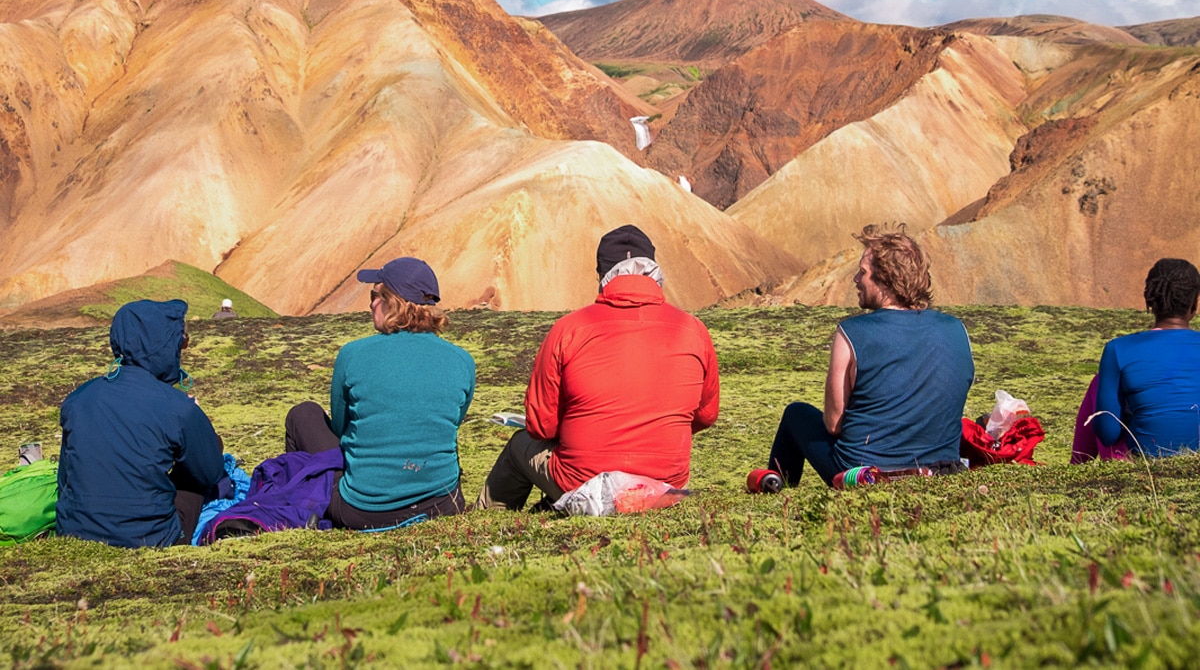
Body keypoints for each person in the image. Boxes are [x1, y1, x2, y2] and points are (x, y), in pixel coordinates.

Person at [475, 225, 720, 510]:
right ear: (654, 271)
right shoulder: (694, 330)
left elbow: (541, 425)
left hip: (583, 482)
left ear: (601, 275)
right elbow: (705, 415)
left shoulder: (568, 330)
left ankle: (490, 518)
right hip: (665, 486)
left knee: (520, 445)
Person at [761, 224, 974, 487]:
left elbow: (833, 424)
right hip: (942, 468)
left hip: (864, 473)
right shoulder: (957, 330)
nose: (855, 280)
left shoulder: (851, 333)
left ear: (885, 280)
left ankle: (775, 492)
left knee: (796, 414)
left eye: (863, 273)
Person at [284, 257, 475, 529]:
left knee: (303, 414)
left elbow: (340, 428)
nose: (371, 303)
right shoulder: (462, 360)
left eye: (374, 295)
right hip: (443, 505)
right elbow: (452, 423)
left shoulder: (353, 354)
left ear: (390, 301)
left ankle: (296, 506)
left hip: (362, 510)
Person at [56, 299, 226, 547]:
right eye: (181, 342)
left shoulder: (78, 399)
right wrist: (201, 426)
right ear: (166, 347)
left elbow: (65, 479)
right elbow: (208, 472)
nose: (181, 350)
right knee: (198, 472)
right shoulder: (179, 409)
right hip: (151, 538)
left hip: (73, 533)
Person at [1076, 258, 1200, 460]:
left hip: (1142, 462)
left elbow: (1108, 434)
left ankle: (1077, 465)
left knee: (1099, 383)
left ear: (1150, 301)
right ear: (1194, 303)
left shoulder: (1119, 349)